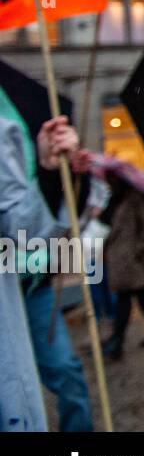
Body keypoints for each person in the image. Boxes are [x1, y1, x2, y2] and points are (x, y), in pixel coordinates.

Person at [0, 111, 82, 432]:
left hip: (31, 285)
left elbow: (25, 222)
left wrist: (52, 171)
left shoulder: (15, 102)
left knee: (65, 369)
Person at [74, 153, 144, 362]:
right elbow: (109, 227)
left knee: (126, 298)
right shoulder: (115, 199)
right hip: (121, 259)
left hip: (131, 259)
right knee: (141, 295)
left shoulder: (134, 198)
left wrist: (138, 250)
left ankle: (118, 340)